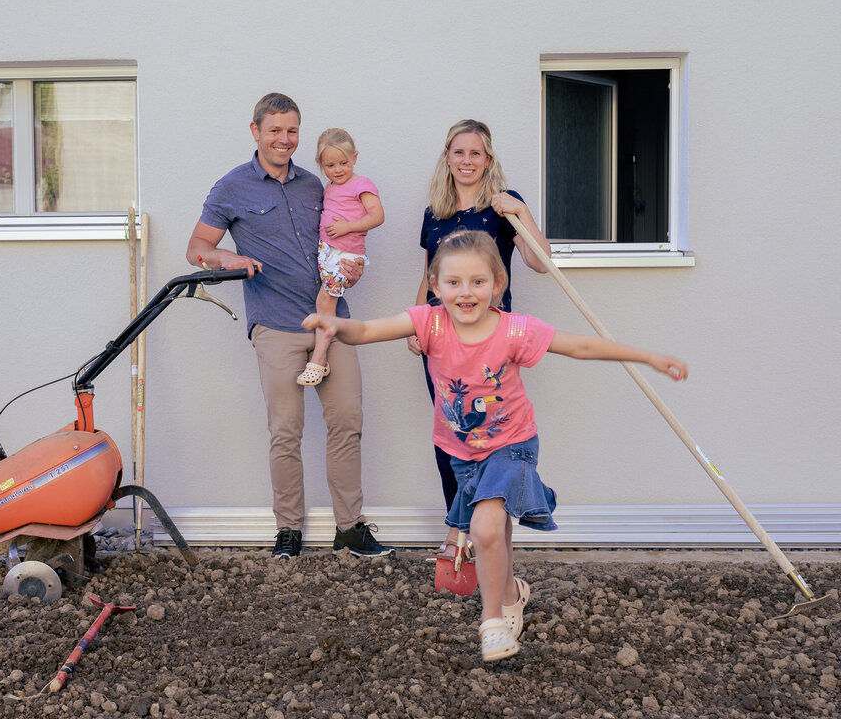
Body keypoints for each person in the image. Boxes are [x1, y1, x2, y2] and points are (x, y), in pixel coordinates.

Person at [303, 230, 687, 661]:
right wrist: (336, 325)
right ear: (435, 285)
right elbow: (368, 329)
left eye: (477, 282)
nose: (465, 293)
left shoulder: (514, 331)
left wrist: (646, 356)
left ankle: (491, 624)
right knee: (495, 536)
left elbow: (578, 345)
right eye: (453, 282)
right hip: (462, 453)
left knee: (484, 528)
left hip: (512, 446)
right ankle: (510, 594)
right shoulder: (428, 322)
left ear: (497, 285)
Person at [185, 93, 393, 560]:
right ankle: (289, 531)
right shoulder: (231, 187)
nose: (285, 139)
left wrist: (354, 265)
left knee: (347, 424)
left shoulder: (316, 184)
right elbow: (196, 247)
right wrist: (227, 257)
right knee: (286, 431)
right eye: (275, 130)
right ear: (255, 130)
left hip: (332, 322)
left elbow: (345, 234)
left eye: (292, 130)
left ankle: (350, 528)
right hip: (276, 326)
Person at [407, 119, 553, 561]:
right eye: (458, 152)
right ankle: (458, 535)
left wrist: (521, 212)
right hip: (442, 340)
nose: (466, 160)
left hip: (490, 342)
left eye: (475, 153)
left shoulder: (502, 207)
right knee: (451, 437)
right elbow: (430, 274)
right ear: (447, 158)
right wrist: (418, 324)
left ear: (488, 159)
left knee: (490, 439)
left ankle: (488, 531)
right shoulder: (436, 211)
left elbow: (540, 262)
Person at [297, 128, 384, 386]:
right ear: (321, 165)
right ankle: (320, 355)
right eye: (330, 165)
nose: (338, 169)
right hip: (328, 251)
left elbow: (377, 216)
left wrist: (346, 227)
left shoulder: (362, 184)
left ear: (355, 157)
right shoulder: (330, 187)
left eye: (344, 163)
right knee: (324, 300)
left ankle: (319, 359)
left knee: (326, 300)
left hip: (345, 254)